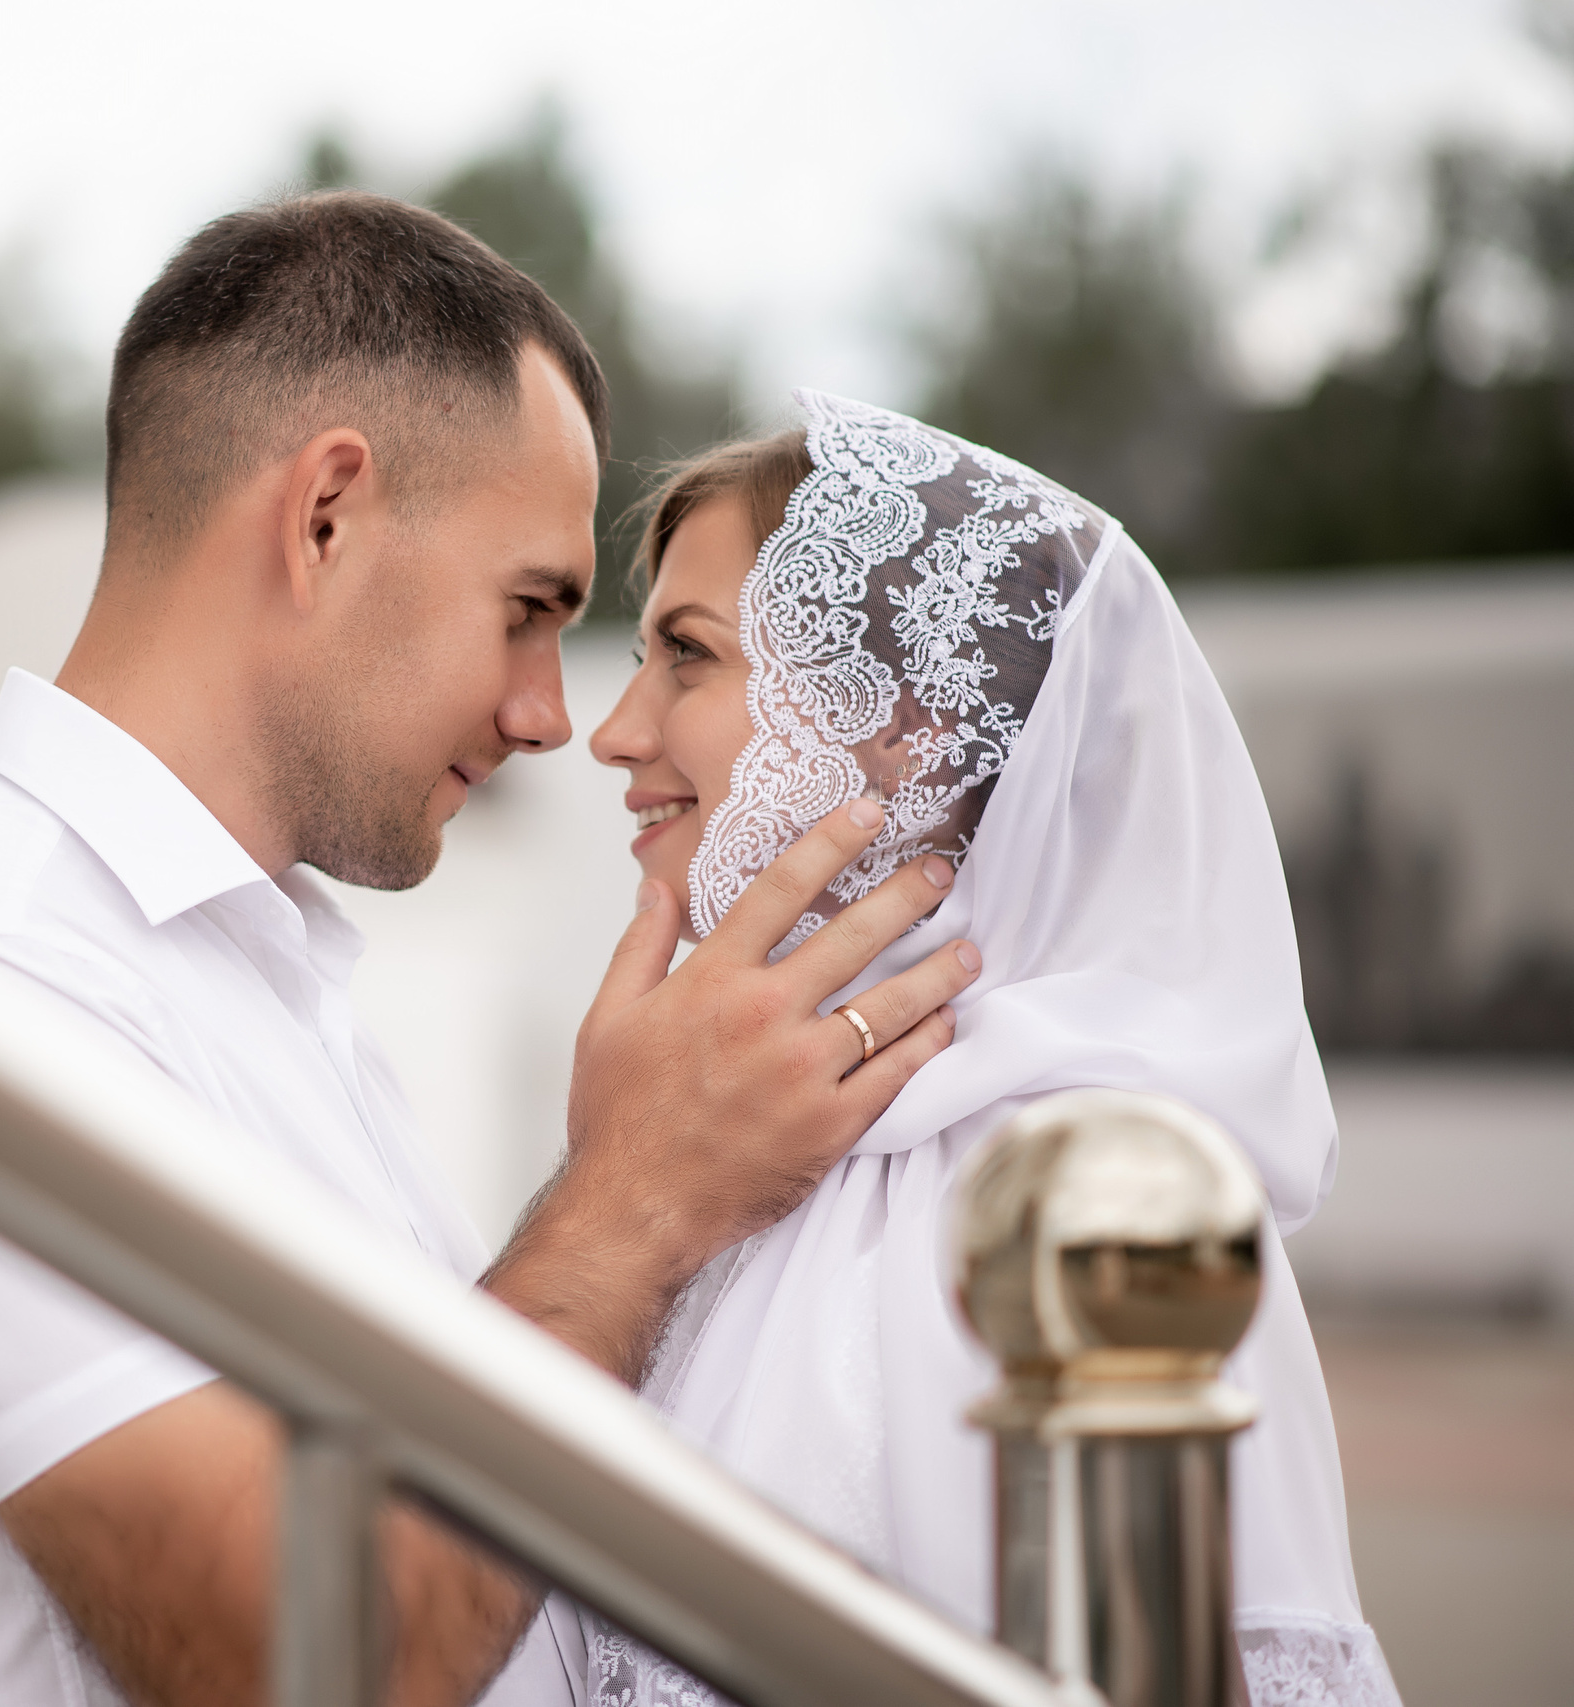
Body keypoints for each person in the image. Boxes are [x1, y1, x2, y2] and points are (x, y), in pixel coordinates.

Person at [0, 196, 981, 1706]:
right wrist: (633, 1199)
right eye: (527, 610)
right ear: (325, 519)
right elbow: (311, 1660)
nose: (546, 714)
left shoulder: (257, 964)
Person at [486, 392, 1399, 1706]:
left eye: (686, 655)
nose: (616, 731)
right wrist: (611, 1173)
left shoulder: (1100, 1188)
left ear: (913, 728)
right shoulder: (749, 1146)